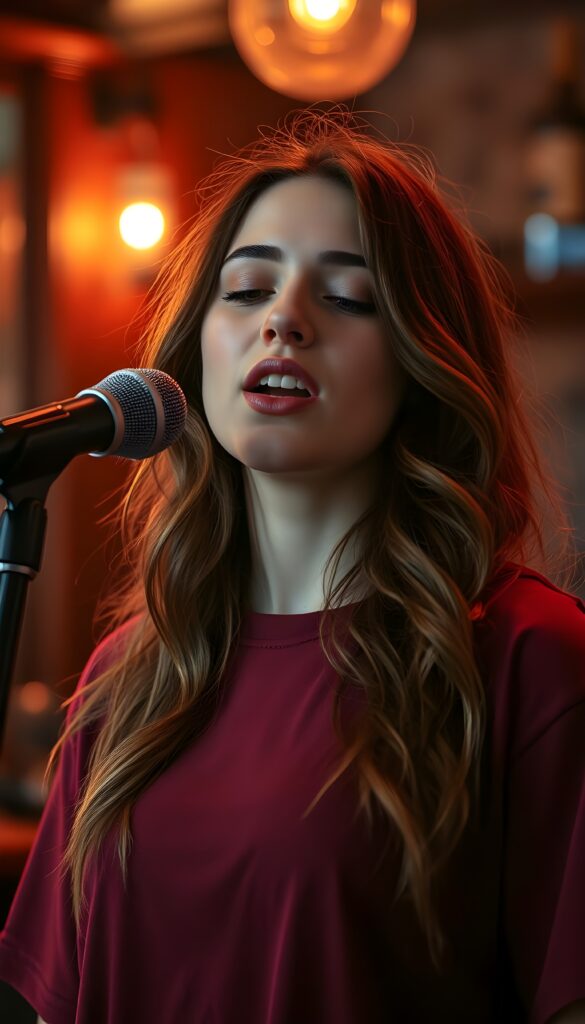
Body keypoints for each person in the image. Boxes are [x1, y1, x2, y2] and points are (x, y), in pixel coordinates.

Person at [0, 109, 584, 1024]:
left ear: (424, 357)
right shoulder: (126, 680)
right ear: (196, 354)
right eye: (245, 291)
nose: (283, 321)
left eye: (347, 298)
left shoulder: (529, 659)